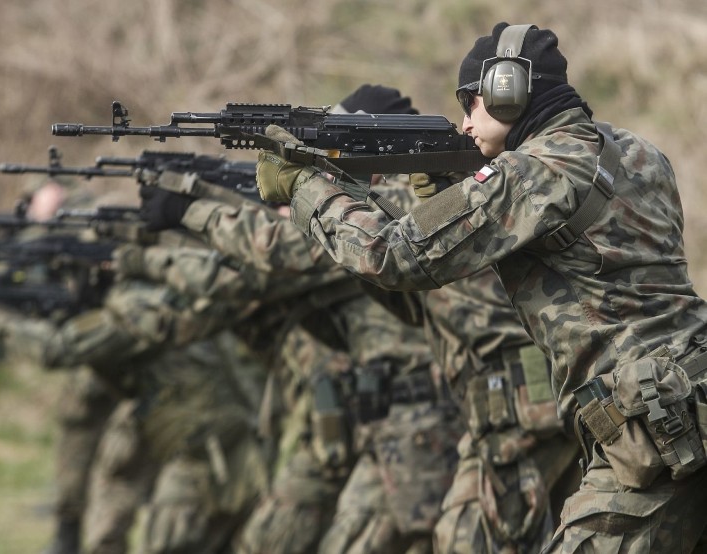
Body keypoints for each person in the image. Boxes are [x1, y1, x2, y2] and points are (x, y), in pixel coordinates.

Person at [255, 22, 707, 552]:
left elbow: (391, 255)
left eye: (471, 104)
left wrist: (305, 185)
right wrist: (449, 199)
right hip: (684, 397)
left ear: (508, 91)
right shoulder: (637, 152)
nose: (465, 124)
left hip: (655, 424)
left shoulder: (530, 171)